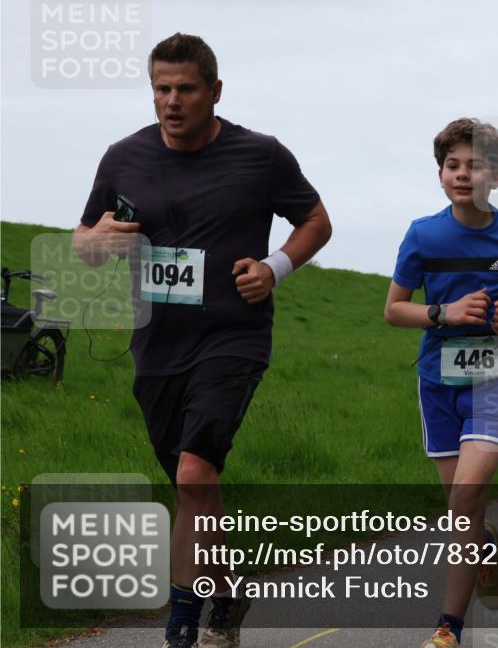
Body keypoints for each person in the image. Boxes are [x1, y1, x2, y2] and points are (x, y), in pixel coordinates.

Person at [72, 33, 332, 648]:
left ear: (214, 91)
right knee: (195, 489)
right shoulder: (122, 157)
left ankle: (182, 623)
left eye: (185, 88)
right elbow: (83, 242)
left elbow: (316, 220)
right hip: (156, 345)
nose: (171, 100)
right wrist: (98, 240)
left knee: (195, 474)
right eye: (161, 88)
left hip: (232, 335)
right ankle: (228, 588)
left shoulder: (261, 155)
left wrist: (276, 268)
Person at [384, 118, 498, 648]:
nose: (464, 174)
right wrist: (444, 312)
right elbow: (394, 310)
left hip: (493, 377)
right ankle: (481, 543)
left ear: (495, 177)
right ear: (441, 176)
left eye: (475, 165)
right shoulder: (423, 233)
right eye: (453, 165)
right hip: (437, 381)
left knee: (466, 494)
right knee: (462, 510)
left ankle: (447, 628)